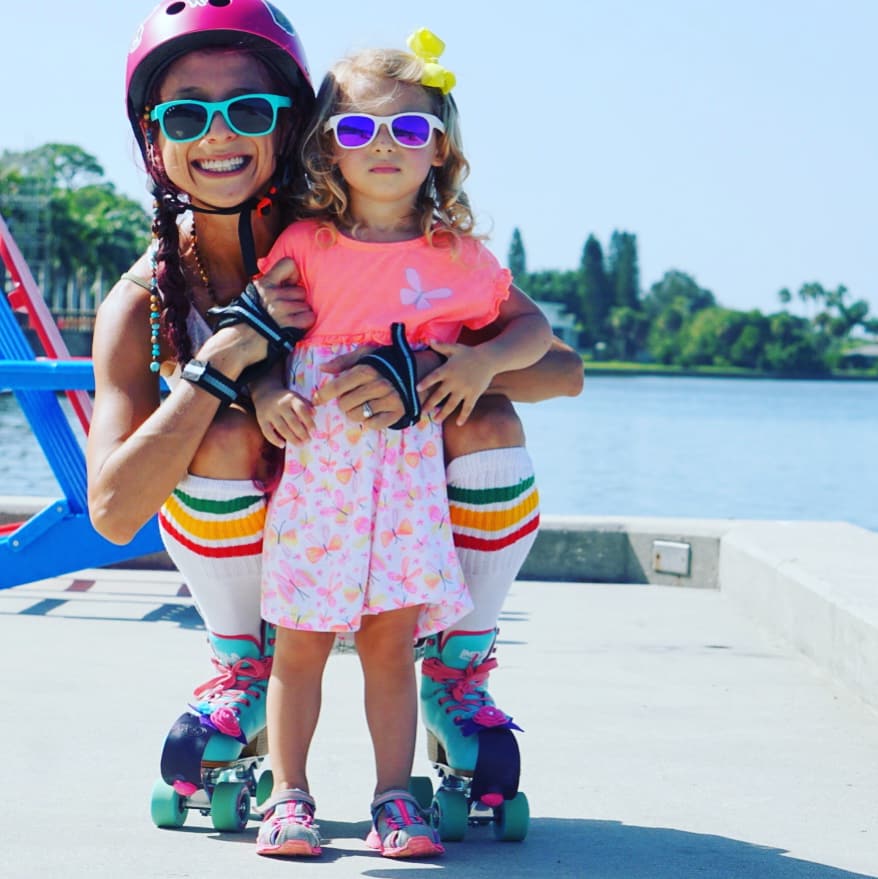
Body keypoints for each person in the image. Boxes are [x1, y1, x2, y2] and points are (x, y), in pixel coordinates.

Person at [88, 0, 581, 832]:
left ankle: (457, 670)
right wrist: (220, 363)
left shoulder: (363, 225)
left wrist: (427, 371)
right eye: (187, 115)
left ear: (293, 125)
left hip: (393, 509)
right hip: (287, 536)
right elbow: (112, 511)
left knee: (489, 421)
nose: (219, 133)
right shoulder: (142, 301)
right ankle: (242, 670)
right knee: (225, 429)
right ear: (153, 138)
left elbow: (562, 371)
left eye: (249, 110)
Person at [250, 30, 553, 859]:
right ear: (328, 148)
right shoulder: (303, 245)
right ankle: (289, 794)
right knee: (301, 644)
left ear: (439, 147)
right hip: (318, 475)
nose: (383, 145)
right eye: (357, 129)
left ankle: (394, 796)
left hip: (406, 481)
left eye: (408, 129)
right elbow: (260, 338)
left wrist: (480, 360)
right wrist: (269, 390)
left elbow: (533, 328)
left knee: (390, 644)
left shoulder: (456, 256)